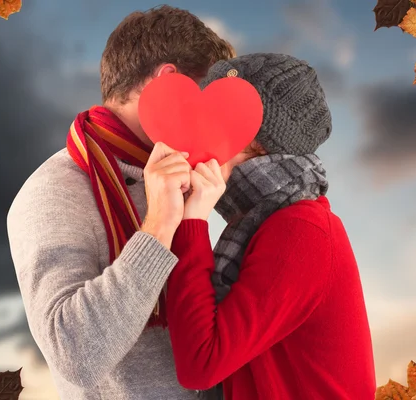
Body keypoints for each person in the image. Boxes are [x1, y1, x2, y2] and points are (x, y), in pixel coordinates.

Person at [6, 5, 234, 399]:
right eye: (206, 97)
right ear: (169, 82)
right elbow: (75, 355)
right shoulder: (51, 193)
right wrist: (159, 226)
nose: (210, 118)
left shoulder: (178, 174)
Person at [165, 53, 376, 399]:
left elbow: (200, 365)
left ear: (259, 145)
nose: (196, 139)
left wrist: (192, 219)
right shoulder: (267, 221)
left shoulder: (301, 231)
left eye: (216, 122)